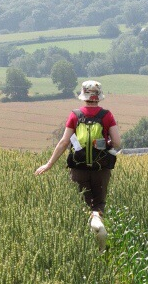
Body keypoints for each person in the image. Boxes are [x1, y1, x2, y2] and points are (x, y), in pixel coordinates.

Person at [35, 80, 121, 250]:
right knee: (98, 205)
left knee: (83, 206)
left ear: (84, 96)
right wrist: (106, 143)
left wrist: (49, 164)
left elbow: (64, 142)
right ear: (98, 97)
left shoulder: (75, 115)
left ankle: (86, 244)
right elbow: (117, 143)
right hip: (101, 168)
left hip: (78, 169)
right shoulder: (107, 115)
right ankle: (100, 239)